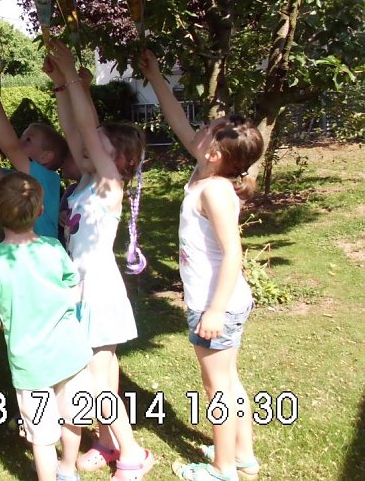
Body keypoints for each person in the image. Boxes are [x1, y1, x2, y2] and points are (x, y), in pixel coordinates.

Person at [140, 49, 264, 481]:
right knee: (228, 380)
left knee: (217, 388)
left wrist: (213, 310)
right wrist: (155, 75)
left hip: (218, 304)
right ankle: (243, 457)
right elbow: (177, 120)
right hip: (224, 301)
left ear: (214, 153)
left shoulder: (213, 191)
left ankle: (222, 468)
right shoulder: (207, 173)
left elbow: (234, 253)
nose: (198, 130)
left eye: (206, 131)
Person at [49, 41, 154, 479]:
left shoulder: (111, 184)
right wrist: (60, 86)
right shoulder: (90, 178)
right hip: (81, 286)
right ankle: (111, 444)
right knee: (97, 377)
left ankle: (131, 455)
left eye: (101, 145)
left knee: (96, 380)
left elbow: (87, 128)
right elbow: (77, 134)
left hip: (99, 290)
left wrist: (74, 74)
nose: (88, 148)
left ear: (120, 159)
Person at [0, 171, 92, 481]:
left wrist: (11, 319)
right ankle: (68, 470)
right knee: (74, 417)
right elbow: (74, 290)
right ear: (41, 211)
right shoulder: (52, 247)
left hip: (30, 362)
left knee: (42, 435)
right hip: (71, 352)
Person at [0, 74, 68, 239]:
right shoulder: (19, 181)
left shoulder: (47, 179)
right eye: (22, 137)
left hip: (44, 258)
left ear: (45, 157)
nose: (20, 141)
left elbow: (11, 148)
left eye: (28, 140)